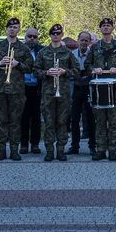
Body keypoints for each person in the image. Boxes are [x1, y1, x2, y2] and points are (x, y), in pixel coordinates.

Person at [0, 18, 33, 161]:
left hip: (17, 90)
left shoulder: (24, 48)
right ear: (6, 29)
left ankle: (14, 150)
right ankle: (1, 150)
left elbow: (31, 67)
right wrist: (0, 63)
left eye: (15, 27)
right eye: (10, 27)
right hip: (0, 89)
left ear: (19, 30)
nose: (12, 29)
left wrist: (17, 63)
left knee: (15, 121)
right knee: (1, 120)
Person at [88, 18, 116, 161]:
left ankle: (113, 150)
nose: (106, 28)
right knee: (100, 121)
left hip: (115, 88)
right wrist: (94, 69)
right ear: (100, 29)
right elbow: (87, 65)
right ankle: (100, 149)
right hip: (98, 88)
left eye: (108, 26)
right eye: (104, 26)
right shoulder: (95, 47)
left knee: (113, 120)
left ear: (113, 28)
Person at [35, 24, 78, 161]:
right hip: (48, 93)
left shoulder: (67, 53)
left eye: (58, 33)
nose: (56, 35)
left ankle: (60, 150)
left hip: (63, 93)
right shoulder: (43, 52)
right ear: (50, 35)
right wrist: (46, 72)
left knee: (62, 122)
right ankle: (49, 150)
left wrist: (65, 71)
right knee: (49, 123)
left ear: (61, 35)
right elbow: (35, 70)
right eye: (53, 33)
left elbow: (77, 70)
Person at [68, 31, 96, 155]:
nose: (84, 42)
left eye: (86, 40)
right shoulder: (72, 54)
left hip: (89, 87)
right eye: (82, 40)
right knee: (74, 119)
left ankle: (92, 146)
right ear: (78, 40)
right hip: (76, 88)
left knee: (90, 118)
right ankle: (74, 146)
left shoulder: (93, 54)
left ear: (89, 42)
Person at [20, 26, 43, 155]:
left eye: (35, 37)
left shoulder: (42, 50)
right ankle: (23, 144)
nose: (32, 39)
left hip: (37, 88)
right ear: (25, 37)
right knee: (23, 117)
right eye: (30, 36)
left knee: (36, 117)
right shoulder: (19, 49)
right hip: (22, 88)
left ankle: (35, 144)